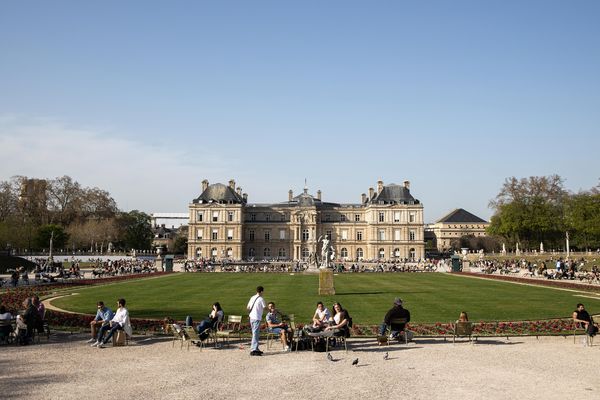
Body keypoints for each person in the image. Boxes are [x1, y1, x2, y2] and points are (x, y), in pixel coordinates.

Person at [246, 286, 266, 356]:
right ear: (261, 291)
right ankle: (253, 349)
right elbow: (264, 307)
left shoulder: (252, 297)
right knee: (255, 333)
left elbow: (248, 307)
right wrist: (271, 310)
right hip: (257, 317)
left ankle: (256, 348)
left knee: (255, 333)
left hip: (251, 317)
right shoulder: (261, 299)